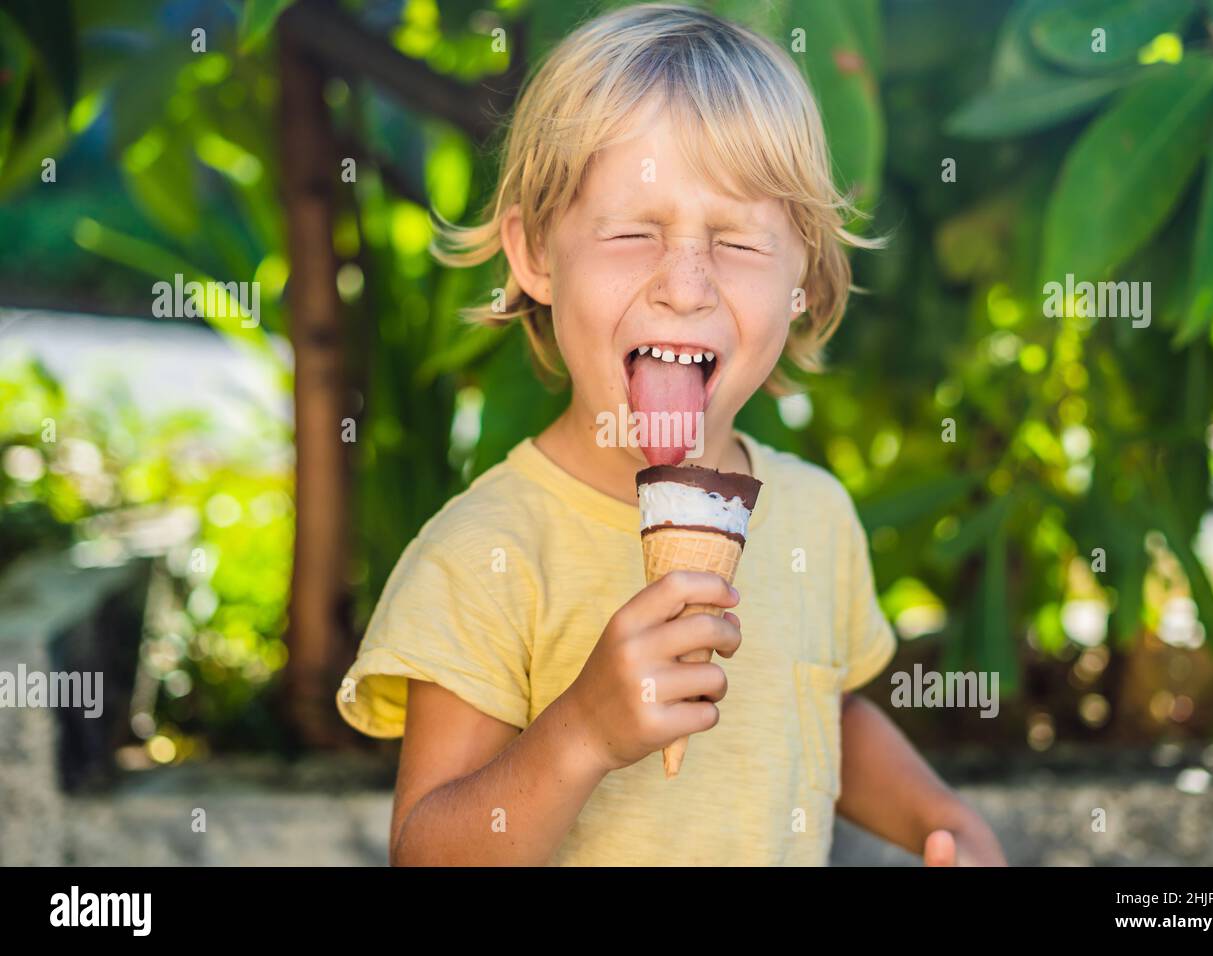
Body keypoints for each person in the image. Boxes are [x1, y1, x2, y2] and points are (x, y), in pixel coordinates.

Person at [337, 2, 1005, 867]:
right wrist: (581, 734)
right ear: (535, 254)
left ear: (802, 276)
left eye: (736, 241)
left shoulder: (814, 516)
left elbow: (824, 714)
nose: (685, 287)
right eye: (632, 233)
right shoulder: (486, 554)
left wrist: (939, 819)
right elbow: (429, 853)